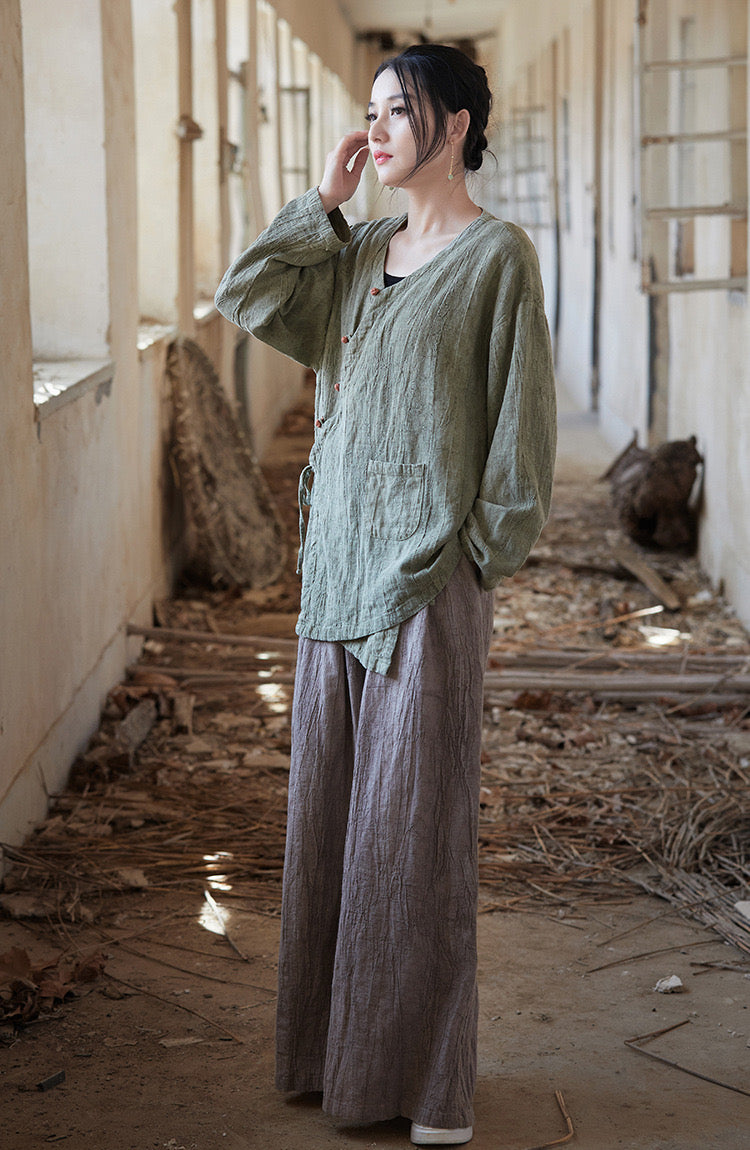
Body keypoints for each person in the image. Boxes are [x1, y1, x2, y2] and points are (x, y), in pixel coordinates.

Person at [215, 42, 557, 1147]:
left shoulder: (497, 258)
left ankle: (424, 1086)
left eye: (397, 110)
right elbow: (246, 295)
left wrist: (474, 560)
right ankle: (336, 1065)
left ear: (455, 126)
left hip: (425, 586)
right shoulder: (358, 251)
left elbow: (520, 432)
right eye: (370, 111)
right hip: (335, 578)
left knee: (413, 839)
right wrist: (321, 202)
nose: (377, 130)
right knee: (331, 830)